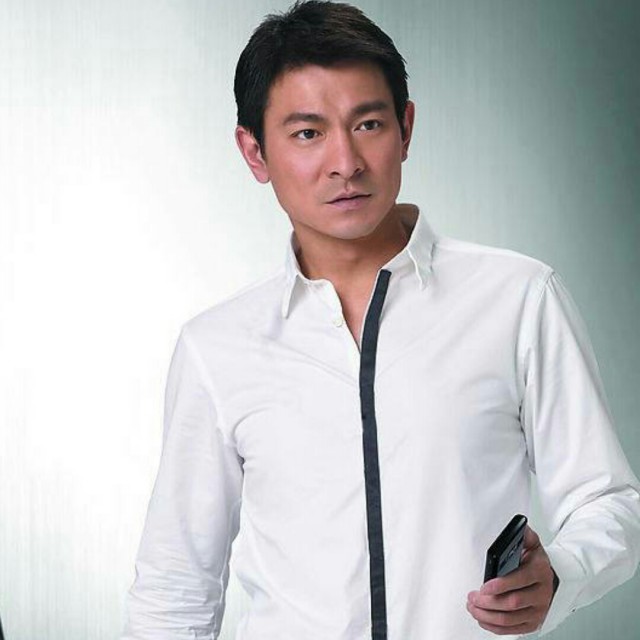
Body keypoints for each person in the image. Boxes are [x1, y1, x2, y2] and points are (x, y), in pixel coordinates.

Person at [120, 1, 640, 638]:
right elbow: (175, 588)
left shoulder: (518, 299)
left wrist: (561, 572)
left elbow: (607, 502)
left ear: (406, 128)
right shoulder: (218, 348)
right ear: (254, 152)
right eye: (308, 133)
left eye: (368, 124)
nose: (346, 162)